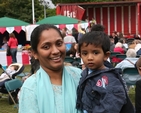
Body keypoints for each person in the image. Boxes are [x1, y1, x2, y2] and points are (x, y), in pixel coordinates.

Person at [18, 24, 82, 113]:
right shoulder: (31, 87)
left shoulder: (79, 76)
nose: (56, 51)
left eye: (59, 43)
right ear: (35, 53)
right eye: (46, 47)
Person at [76, 30, 134, 113]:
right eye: (85, 53)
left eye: (95, 53)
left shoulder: (109, 79)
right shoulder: (85, 73)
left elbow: (111, 106)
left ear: (106, 55)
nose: (89, 58)